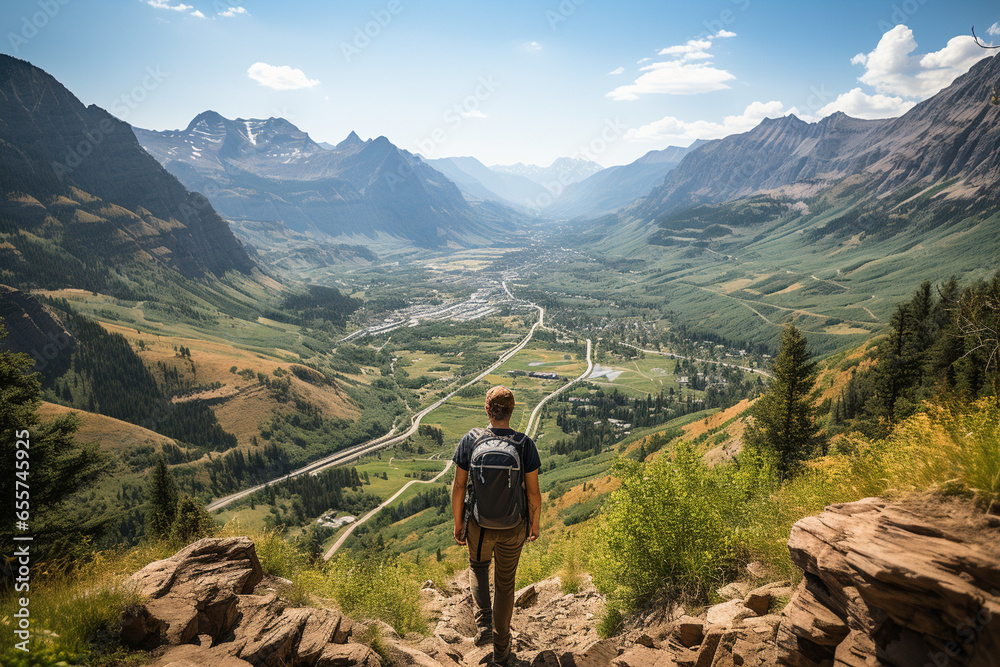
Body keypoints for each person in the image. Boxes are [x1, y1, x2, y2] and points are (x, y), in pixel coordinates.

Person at [452, 385, 541, 665]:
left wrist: (458, 522)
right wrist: (534, 523)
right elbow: (533, 493)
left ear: (487, 410)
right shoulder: (524, 444)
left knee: (478, 567)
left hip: (479, 526)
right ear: (511, 411)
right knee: (505, 584)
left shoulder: (471, 440)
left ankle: (483, 626)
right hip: (514, 526)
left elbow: (458, 485)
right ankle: (502, 654)